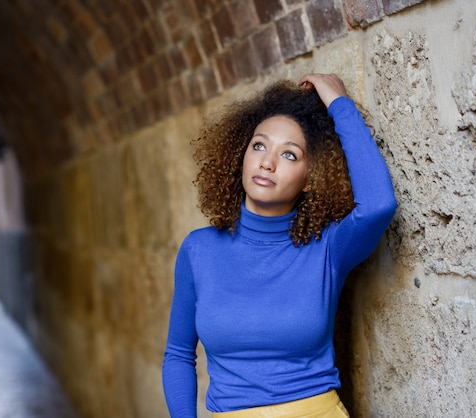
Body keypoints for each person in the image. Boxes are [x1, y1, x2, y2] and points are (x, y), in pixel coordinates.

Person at [162, 73, 397, 417]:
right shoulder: (199, 251)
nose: (267, 163)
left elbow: (378, 205)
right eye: (259, 145)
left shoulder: (327, 248)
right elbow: (179, 353)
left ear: (309, 177)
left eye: (289, 155)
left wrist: (339, 104)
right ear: (240, 156)